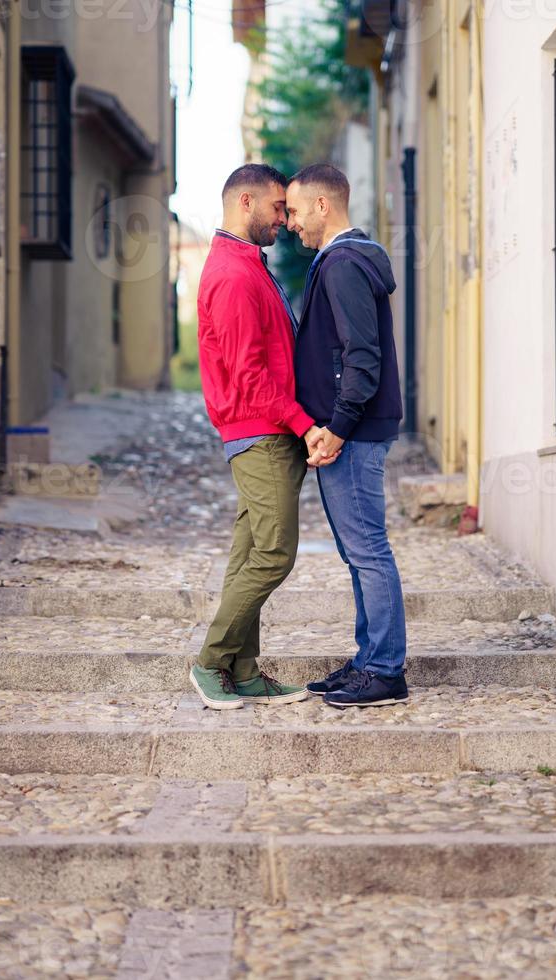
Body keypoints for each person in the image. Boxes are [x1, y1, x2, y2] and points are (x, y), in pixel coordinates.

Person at [190, 163, 337, 710]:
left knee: (249, 552)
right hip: (261, 434)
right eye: (278, 207)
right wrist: (304, 425)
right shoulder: (231, 274)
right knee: (274, 553)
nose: (285, 218)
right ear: (244, 201)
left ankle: (245, 672)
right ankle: (210, 661)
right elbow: (250, 375)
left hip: (269, 431)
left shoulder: (250, 264)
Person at [286, 163, 408, 708]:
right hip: (351, 431)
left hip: (353, 433)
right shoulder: (343, 261)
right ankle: (368, 661)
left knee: (368, 550)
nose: (289, 222)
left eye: (292, 210)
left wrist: (336, 428)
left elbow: (362, 356)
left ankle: (385, 670)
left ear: (322, 206)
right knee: (359, 552)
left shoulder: (341, 264)